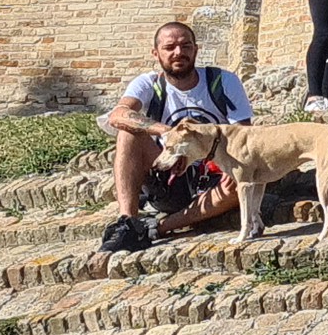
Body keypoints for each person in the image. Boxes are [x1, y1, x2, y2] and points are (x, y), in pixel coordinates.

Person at [100, 19, 247, 238]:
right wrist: (167, 132)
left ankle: (159, 228)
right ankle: (127, 222)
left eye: (186, 46)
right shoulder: (148, 83)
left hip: (213, 174)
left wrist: (232, 165)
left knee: (241, 180)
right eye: (169, 47)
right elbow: (118, 115)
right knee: (128, 132)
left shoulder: (223, 81)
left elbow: (244, 134)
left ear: (195, 49)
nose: (179, 52)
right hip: (169, 173)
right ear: (156, 53)